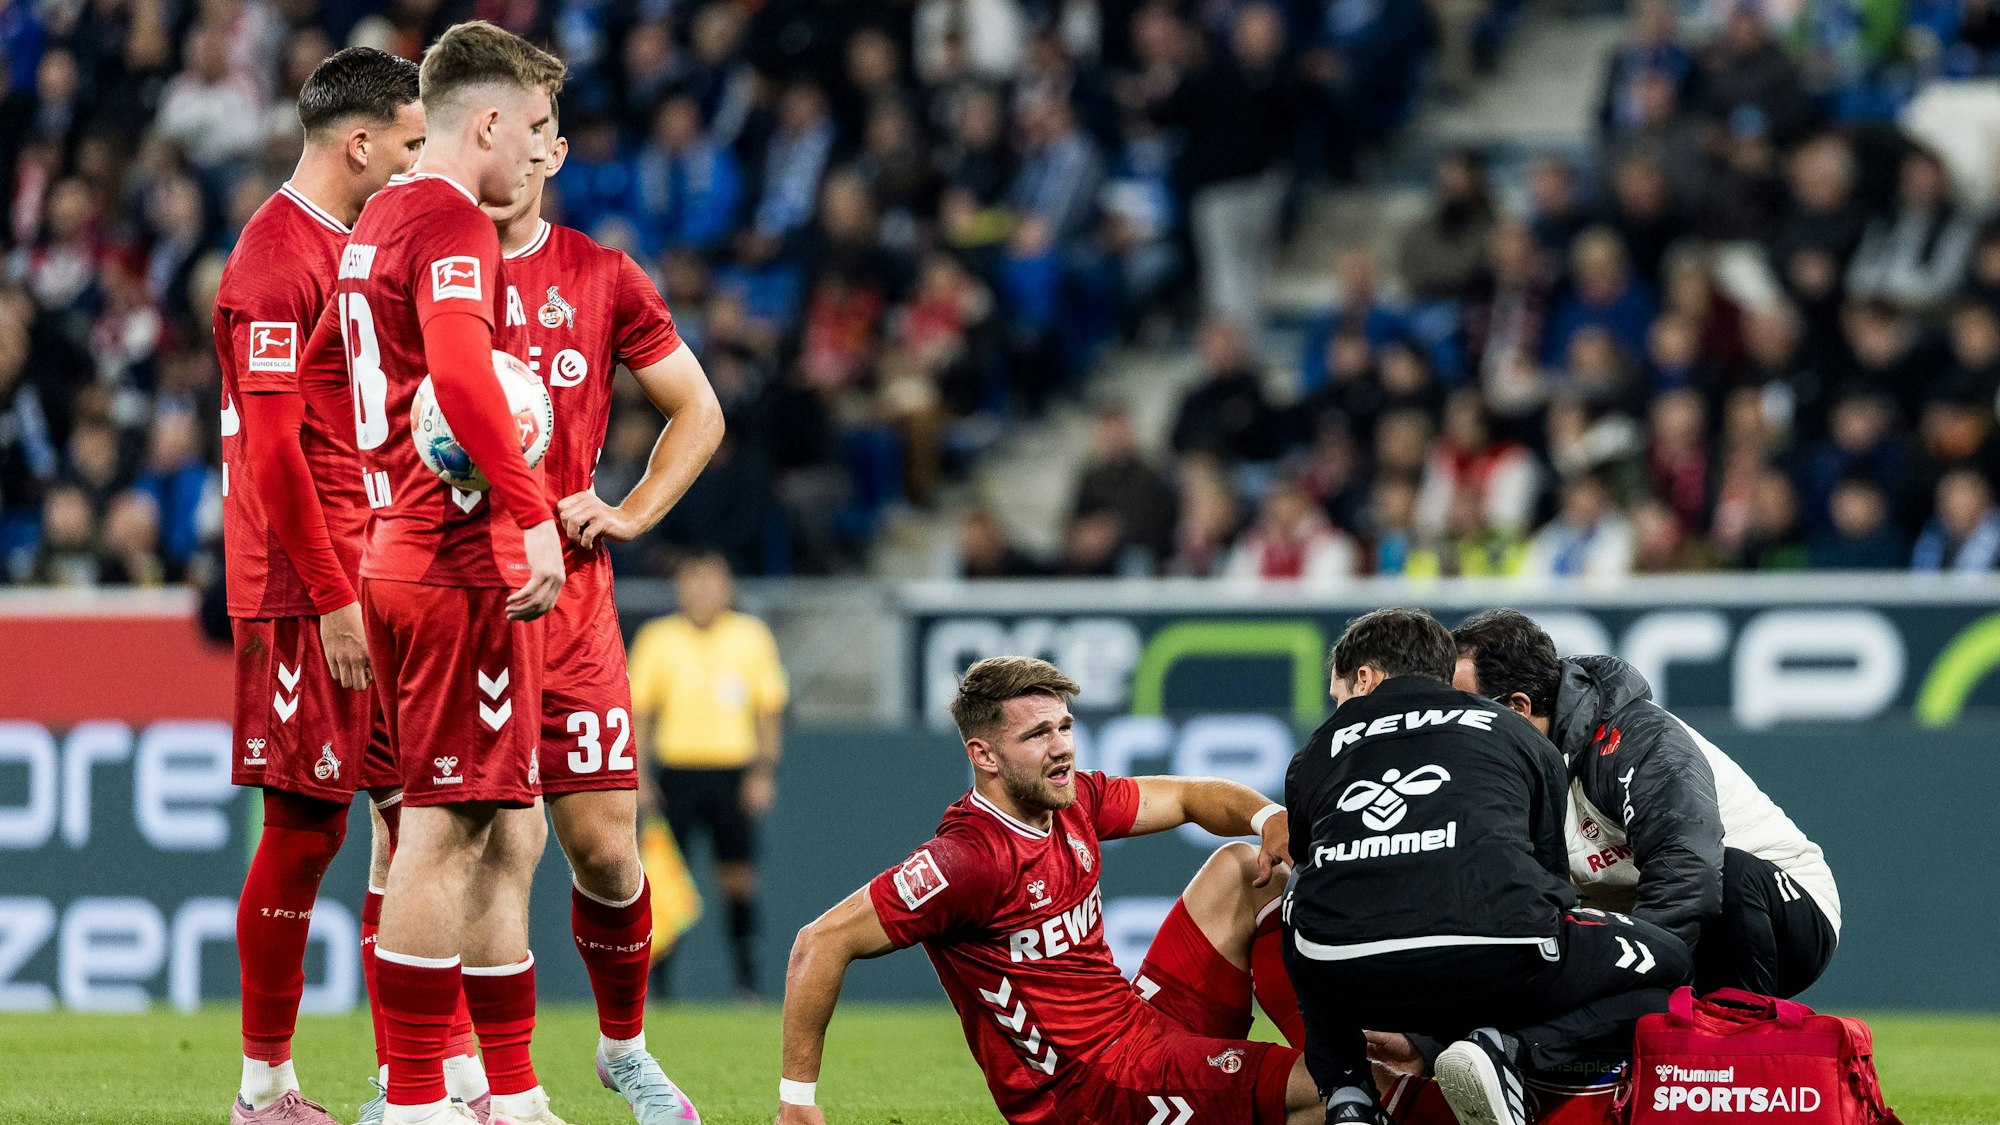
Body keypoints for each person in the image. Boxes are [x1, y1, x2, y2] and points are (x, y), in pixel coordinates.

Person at [296, 22, 568, 1125]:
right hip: (454, 559)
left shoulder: (377, 223)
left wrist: (370, 487)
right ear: (489, 122)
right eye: (537, 129)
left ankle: (496, 1088)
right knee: (441, 828)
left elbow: (322, 374)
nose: (542, 153)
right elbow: (459, 373)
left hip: (397, 549)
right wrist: (528, 514)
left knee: (507, 825)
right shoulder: (452, 220)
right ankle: (414, 1099)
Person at [774, 655, 1323, 1125]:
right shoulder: (968, 861)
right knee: (1331, 1094)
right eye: (1037, 735)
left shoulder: (1072, 800)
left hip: (1138, 1025)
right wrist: (796, 1100)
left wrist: (1269, 816)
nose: (1061, 747)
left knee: (1241, 867)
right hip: (1093, 1095)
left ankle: (1329, 1048)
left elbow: (1187, 796)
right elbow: (819, 943)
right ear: (984, 756)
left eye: (1063, 726)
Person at [481, 107, 725, 1122]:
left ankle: (622, 1050)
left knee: (608, 853)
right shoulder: (412, 265)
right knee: (496, 843)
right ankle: (483, 1082)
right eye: (493, 127)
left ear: (554, 151)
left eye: (536, 128)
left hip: (574, 604)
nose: (513, 147)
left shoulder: (601, 274)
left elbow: (698, 409)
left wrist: (627, 510)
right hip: (466, 596)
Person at [212, 46, 424, 1125]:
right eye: (407, 143)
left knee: (413, 822)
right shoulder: (272, 260)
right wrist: (335, 595)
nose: (414, 161)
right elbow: (272, 451)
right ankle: (264, 1090)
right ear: (359, 143)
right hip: (305, 584)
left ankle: (409, 1084)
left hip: (370, 561)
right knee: (304, 829)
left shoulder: (353, 251)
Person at [1282, 608, 1690, 1125]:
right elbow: (1548, 880)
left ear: (1363, 677)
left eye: (1338, 697)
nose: (1338, 709)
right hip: (1496, 960)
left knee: (1299, 902)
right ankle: (1511, 1051)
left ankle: (1348, 1096)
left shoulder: (1315, 750)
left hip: (1352, 976)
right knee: (1673, 968)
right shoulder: (1513, 729)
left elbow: (1307, 863)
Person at [1450, 609, 1840, 998]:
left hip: (1783, 912)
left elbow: (1689, 874)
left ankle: (1733, 1043)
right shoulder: (1495, 775)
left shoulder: (1637, 741)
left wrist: (1627, 980)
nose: (1448, 725)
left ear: (1517, 708)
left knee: (1729, 872)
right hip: (1644, 920)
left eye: (1461, 709)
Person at [628, 553, 787, 999]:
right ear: (680, 590)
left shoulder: (749, 636)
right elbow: (640, 712)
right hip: (676, 774)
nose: (702, 593)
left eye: (711, 584)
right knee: (662, 882)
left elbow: (769, 711)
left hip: (732, 774)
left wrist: (763, 773)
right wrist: (639, 775)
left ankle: (746, 982)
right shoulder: (659, 638)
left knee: (737, 878)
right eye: (692, 584)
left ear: (727, 589)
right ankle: (657, 988)